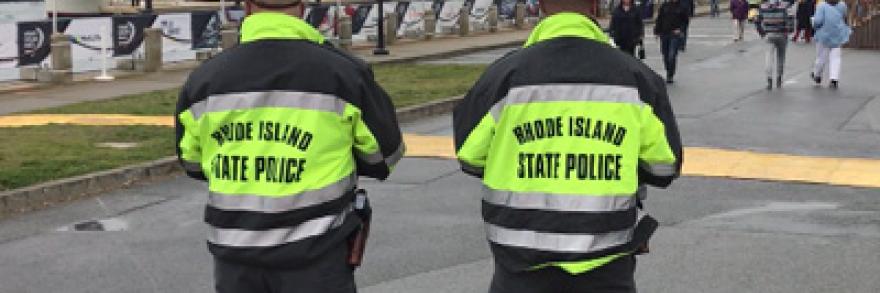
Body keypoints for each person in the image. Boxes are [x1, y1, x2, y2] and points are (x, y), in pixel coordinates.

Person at [174, 0, 406, 292]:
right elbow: (386, 155)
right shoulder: (343, 73)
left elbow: (192, 161)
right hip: (317, 254)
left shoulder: (205, 79)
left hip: (235, 258)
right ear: (303, 7)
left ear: (246, 7)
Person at [453, 0, 683, 291]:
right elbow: (664, 166)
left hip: (519, 262)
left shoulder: (503, 77)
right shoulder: (636, 79)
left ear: (540, 5)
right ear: (595, 6)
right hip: (605, 262)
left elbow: (470, 156)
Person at [811, 0, 851, 88]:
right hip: (837, 34)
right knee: (836, 57)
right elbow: (844, 18)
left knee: (821, 57)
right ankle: (834, 79)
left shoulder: (822, 5)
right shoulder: (842, 4)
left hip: (823, 35)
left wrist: (814, 25)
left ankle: (817, 74)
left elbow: (818, 21)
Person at [756, 0, 792, 90]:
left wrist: (762, 33)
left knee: (768, 57)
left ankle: (769, 79)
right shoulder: (785, 5)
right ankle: (779, 78)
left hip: (769, 34)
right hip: (782, 34)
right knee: (781, 57)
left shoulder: (763, 6)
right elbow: (790, 19)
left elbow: (757, 21)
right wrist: (788, 31)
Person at [655, 0, 690, 83]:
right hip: (664, 33)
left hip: (674, 34)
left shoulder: (682, 7)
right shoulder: (664, 6)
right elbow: (659, 19)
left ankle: (670, 74)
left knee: (672, 55)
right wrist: (656, 31)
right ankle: (668, 70)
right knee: (665, 54)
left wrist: (680, 30)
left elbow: (685, 21)